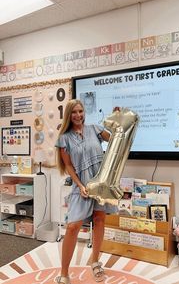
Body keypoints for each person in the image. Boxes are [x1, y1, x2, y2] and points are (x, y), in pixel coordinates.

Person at [55, 99, 117, 284]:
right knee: (73, 226)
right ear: (68, 115)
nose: (78, 115)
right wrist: (80, 185)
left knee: (99, 219)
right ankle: (64, 274)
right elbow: (68, 165)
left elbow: (114, 141)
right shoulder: (64, 139)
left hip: (101, 183)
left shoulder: (95, 129)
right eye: (74, 112)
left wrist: (115, 122)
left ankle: (95, 261)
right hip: (81, 185)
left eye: (80, 111)